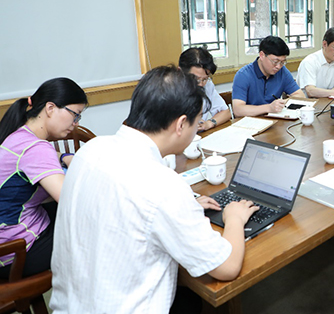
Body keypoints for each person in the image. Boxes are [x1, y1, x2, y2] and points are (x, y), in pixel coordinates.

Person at [50, 66, 259, 313]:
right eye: (197, 122)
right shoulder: (164, 185)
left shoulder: (89, 151)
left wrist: (184, 208)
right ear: (181, 124)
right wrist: (234, 218)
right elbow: (227, 267)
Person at [0, 78, 87, 279]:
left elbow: (37, 159)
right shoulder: (36, 148)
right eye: (75, 115)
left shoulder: (18, 135)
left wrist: (63, 157)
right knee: (92, 227)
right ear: (50, 108)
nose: (75, 124)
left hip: (8, 237)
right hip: (15, 251)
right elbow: (71, 199)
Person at [232, 36, 305, 117]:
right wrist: (268, 108)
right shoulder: (243, 75)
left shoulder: (282, 71)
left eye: (282, 62)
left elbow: (300, 96)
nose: (278, 66)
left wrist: (282, 103)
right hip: (251, 121)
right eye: (275, 62)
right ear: (262, 55)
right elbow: (238, 110)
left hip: (275, 119)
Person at [179, 47, 230, 131]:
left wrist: (209, 123)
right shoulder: (169, 92)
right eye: (196, 79)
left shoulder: (207, 85)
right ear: (180, 72)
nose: (201, 84)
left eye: (205, 79)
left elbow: (226, 112)